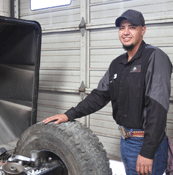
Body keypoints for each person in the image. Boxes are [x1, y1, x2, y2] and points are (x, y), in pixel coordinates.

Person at [43, 9, 172, 175]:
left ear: (143, 30)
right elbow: (99, 96)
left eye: (132, 27)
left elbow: (158, 107)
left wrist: (147, 151)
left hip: (146, 143)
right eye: (121, 28)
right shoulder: (117, 64)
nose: (125, 32)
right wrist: (69, 114)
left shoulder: (155, 57)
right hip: (126, 142)